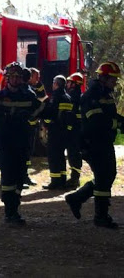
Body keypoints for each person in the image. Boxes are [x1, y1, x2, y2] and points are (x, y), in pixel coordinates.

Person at [66, 62, 123, 229]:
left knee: (107, 175)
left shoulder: (105, 93)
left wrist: (120, 122)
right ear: (103, 78)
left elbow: (110, 115)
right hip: (93, 143)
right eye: (113, 78)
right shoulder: (92, 95)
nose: (115, 82)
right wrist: (117, 124)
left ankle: (77, 198)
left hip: (103, 141)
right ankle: (100, 216)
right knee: (105, 176)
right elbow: (96, 122)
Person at [0, 62, 43, 225]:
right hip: (5, 141)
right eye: (12, 77)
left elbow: (39, 109)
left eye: (18, 77)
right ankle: (9, 211)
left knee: (20, 175)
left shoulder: (29, 95)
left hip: (22, 140)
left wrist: (27, 115)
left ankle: (15, 206)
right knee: (8, 175)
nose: (15, 80)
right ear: (7, 78)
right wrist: (15, 115)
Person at [43, 75, 75, 190]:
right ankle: (62, 179)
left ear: (56, 84)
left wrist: (45, 123)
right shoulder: (68, 97)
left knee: (53, 156)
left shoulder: (55, 97)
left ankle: (55, 181)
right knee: (61, 156)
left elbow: (50, 114)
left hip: (55, 131)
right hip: (65, 132)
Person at [64, 72, 84, 189]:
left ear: (74, 84)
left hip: (73, 130)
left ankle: (74, 179)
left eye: (70, 82)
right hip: (78, 129)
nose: (68, 84)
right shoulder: (81, 96)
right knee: (75, 153)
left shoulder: (72, 97)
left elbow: (71, 115)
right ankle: (75, 177)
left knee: (73, 154)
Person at [21, 67, 38, 187]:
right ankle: (22, 177)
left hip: (23, 128)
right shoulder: (29, 92)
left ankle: (23, 176)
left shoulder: (15, 91)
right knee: (25, 152)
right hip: (27, 128)